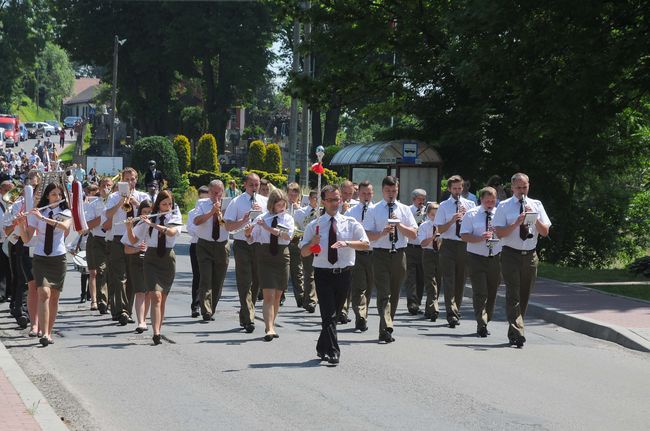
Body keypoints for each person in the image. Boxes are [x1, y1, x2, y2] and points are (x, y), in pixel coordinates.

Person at [300, 185, 369, 364]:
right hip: (323, 273)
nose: (334, 203)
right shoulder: (314, 225)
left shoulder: (350, 223)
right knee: (328, 314)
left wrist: (347, 243)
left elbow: (365, 244)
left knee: (335, 314)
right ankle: (333, 351)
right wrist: (312, 243)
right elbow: (304, 253)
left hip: (343, 273)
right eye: (330, 200)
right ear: (323, 201)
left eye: (337, 199)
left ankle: (322, 346)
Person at [494, 173, 550, 348]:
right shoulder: (503, 206)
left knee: (524, 295)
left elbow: (545, 232)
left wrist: (535, 218)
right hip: (510, 254)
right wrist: (516, 223)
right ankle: (518, 331)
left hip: (530, 255)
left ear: (528, 186)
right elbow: (499, 233)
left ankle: (515, 331)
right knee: (513, 293)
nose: (521, 191)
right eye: (518, 188)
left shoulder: (536, 204)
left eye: (524, 187)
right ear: (512, 188)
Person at [364, 176, 417, 343]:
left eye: (394, 191)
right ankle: (387, 324)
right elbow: (367, 235)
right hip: (380, 254)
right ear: (382, 191)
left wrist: (399, 225)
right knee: (383, 292)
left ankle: (385, 329)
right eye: (388, 191)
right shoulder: (374, 210)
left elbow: (414, 234)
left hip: (399, 254)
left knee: (394, 294)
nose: (391, 194)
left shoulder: (404, 209)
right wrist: (382, 233)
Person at [128, 190, 182, 345]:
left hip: (167, 258)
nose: (167, 206)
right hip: (151, 258)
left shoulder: (175, 217)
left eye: (169, 204)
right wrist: (129, 225)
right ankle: (156, 333)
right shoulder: (150, 217)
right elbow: (133, 239)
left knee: (162, 297)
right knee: (155, 296)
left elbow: (171, 233)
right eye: (164, 204)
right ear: (158, 204)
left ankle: (158, 326)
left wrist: (154, 225)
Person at [24, 182, 72, 346]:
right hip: (40, 257)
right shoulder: (39, 212)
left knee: (54, 297)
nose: (57, 197)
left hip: (58, 257)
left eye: (59, 195)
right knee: (43, 292)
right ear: (47, 196)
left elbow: (65, 227)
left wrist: (43, 218)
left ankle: (49, 332)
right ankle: (43, 333)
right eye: (53, 194)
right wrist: (21, 223)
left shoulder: (65, 212)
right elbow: (27, 238)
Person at [245, 189, 294, 341]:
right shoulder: (262, 217)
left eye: (283, 205)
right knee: (268, 295)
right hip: (265, 256)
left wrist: (268, 228)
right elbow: (252, 239)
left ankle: (271, 324)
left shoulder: (287, 219)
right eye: (278, 205)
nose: (281, 208)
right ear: (272, 205)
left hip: (281, 256)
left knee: (278, 296)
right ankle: (269, 328)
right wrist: (248, 232)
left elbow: (288, 236)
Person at [104, 167, 149, 325]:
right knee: (119, 276)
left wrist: (136, 203)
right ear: (122, 180)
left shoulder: (143, 196)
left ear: (136, 180)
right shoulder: (114, 196)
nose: (130, 182)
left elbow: (148, 215)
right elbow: (107, 215)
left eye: (133, 179)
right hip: (118, 238)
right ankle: (121, 310)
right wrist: (120, 203)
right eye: (127, 179)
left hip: (135, 238)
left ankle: (126, 311)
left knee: (131, 277)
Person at [224, 173, 268, 333]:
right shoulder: (237, 202)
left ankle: (245, 314)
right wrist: (244, 220)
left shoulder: (264, 201)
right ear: (245, 185)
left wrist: (261, 214)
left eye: (257, 185)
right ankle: (250, 318)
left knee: (257, 281)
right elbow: (228, 226)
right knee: (245, 280)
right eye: (251, 185)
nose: (255, 188)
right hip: (242, 244)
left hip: (259, 243)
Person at [434, 175, 476, 328]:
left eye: (460, 188)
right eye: (455, 188)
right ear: (450, 189)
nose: (458, 191)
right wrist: (452, 220)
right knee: (449, 280)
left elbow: (474, 226)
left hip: (464, 245)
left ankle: (456, 309)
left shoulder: (470, 204)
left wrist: (465, 217)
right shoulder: (444, 206)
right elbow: (440, 228)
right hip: (449, 245)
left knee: (460, 280)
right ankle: (451, 313)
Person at [460, 187, 502, 337]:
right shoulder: (472, 214)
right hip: (476, 257)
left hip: (495, 256)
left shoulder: (499, 214)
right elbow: (464, 235)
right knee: (480, 291)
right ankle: (481, 322)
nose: (490, 203)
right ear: (481, 199)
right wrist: (479, 238)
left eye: (492, 200)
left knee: (492, 292)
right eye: (487, 200)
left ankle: (487, 318)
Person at [193, 180, 230, 322]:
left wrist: (222, 213)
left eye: (219, 193)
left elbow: (228, 225)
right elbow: (197, 221)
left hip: (222, 245)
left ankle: (211, 308)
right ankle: (206, 310)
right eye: (214, 193)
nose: (217, 196)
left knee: (218, 280)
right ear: (209, 192)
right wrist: (211, 212)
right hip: (204, 245)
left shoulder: (228, 204)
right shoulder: (201, 204)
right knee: (206, 278)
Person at [344, 180, 375, 331]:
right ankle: (360, 315)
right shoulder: (351, 212)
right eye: (363, 193)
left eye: (369, 193)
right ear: (359, 194)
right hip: (357, 253)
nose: (366, 196)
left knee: (369, 287)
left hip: (374, 253)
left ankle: (364, 312)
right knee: (358, 286)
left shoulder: (377, 210)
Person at [85, 177, 113, 314]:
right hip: (98, 239)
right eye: (103, 185)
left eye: (109, 185)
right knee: (99, 270)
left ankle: (110, 301)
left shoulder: (116, 202)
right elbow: (89, 225)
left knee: (112, 271)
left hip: (112, 239)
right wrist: (104, 216)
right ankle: (101, 301)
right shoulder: (93, 204)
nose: (106, 188)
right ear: (99, 187)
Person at [124, 200, 153, 333]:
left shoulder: (155, 224)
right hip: (136, 260)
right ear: (140, 213)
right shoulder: (138, 224)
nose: (147, 215)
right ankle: (141, 321)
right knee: (140, 291)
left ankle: (144, 319)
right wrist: (129, 227)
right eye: (144, 212)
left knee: (148, 292)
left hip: (152, 260)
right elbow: (128, 247)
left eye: (150, 212)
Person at [293, 190, 319, 313]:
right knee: (309, 273)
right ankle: (310, 300)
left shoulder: (323, 212)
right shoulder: (300, 212)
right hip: (307, 244)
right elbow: (295, 228)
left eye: (319, 198)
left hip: (321, 245)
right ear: (309, 199)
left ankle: (314, 297)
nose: (317, 201)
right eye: (315, 198)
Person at [187, 186, 210, 317]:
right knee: (198, 275)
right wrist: (203, 231)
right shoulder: (192, 213)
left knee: (208, 277)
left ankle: (206, 304)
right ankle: (195, 305)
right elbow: (191, 229)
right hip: (196, 244)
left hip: (209, 245)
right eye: (201, 198)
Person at [417, 202, 442, 321]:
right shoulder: (424, 226)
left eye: (437, 215)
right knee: (431, 282)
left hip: (440, 255)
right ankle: (434, 309)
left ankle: (429, 309)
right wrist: (433, 237)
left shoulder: (442, 226)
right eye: (433, 215)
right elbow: (422, 244)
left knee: (438, 282)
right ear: (428, 214)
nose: (435, 217)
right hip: (428, 253)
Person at [405, 188, 427, 315]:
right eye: (419, 199)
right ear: (413, 199)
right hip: (410, 247)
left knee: (421, 277)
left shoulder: (427, 212)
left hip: (423, 248)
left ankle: (417, 302)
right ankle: (412, 303)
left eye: (424, 199)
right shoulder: (408, 211)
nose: (422, 202)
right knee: (411, 277)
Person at [286, 182, 305, 307]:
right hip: (284, 241)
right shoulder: (282, 207)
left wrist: (298, 209)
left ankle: (301, 297)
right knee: (283, 271)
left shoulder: (303, 209)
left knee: (297, 271)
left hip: (296, 241)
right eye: (290, 193)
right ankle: (280, 295)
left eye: (295, 193)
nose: (293, 196)